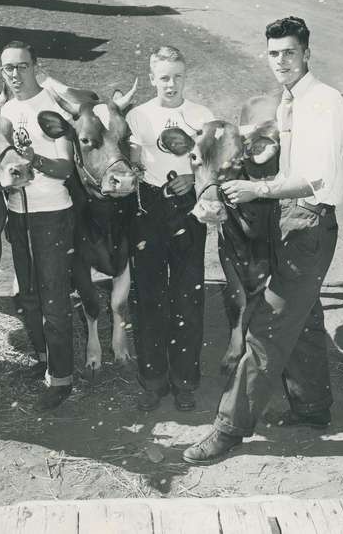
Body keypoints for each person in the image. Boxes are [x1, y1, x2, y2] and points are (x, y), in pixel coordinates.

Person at [183, 17, 343, 464]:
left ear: (306, 53)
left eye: (290, 52)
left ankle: (228, 429)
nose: (281, 60)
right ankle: (313, 409)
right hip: (288, 219)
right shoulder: (288, 102)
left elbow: (315, 177)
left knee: (267, 330)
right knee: (306, 319)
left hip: (309, 223)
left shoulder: (324, 102)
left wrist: (259, 189)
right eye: (274, 53)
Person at [126, 46, 214, 413]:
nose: (171, 84)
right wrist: (134, 174)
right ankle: (153, 381)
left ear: (186, 76)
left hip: (188, 210)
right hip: (148, 208)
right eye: (164, 77)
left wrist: (193, 178)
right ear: (152, 79)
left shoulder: (201, 115)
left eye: (178, 76)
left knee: (187, 298)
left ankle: (185, 383)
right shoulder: (138, 115)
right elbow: (132, 163)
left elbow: (213, 162)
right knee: (148, 296)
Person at [0, 41, 77, 412]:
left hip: (51, 214)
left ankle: (62, 378)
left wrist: (35, 159)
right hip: (17, 213)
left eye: (22, 67)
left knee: (54, 299)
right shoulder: (4, 111)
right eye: (8, 69)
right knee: (27, 296)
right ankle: (45, 360)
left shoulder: (51, 108)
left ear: (36, 66)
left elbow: (66, 169)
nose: (15, 75)